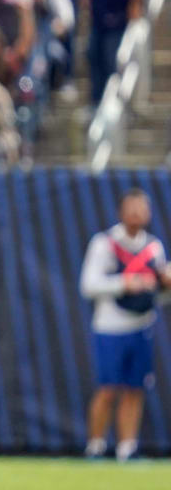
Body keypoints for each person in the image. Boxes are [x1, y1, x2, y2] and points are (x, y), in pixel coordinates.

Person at [80, 188, 170, 461]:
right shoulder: (104, 243)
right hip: (110, 328)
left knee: (135, 389)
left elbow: (159, 294)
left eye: (141, 208)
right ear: (121, 211)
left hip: (141, 326)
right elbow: (88, 285)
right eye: (131, 208)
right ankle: (95, 446)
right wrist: (124, 283)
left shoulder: (154, 247)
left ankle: (126, 448)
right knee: (108, 389)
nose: (136, 214)